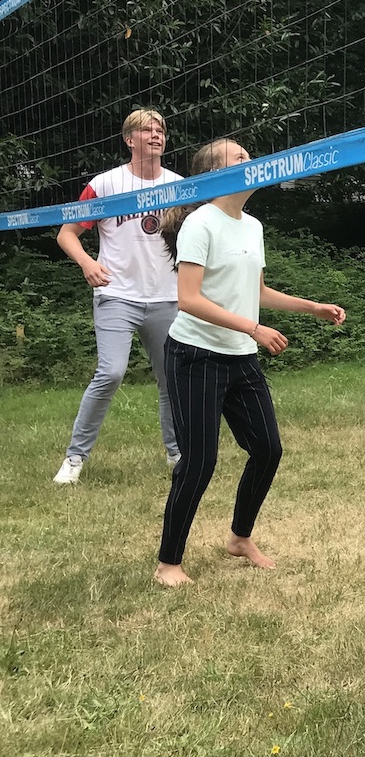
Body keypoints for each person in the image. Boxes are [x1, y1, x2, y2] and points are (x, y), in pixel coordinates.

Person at [153, 139, 345, 587]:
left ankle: (240, 538)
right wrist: (252, 328)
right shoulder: (199, 224)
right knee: (199, 461)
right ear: (214, 173)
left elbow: (258, 293)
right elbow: (188, 299)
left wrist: (311, 306)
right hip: (195, 356)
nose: (250, 161)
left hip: (240, 358)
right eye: (238, 158)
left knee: (268, 449)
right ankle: (168, 563)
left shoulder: (253, 226)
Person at [53, 108, 183, 484]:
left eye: (160, 129)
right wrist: (86, 263)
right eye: (147, 129)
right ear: (130, 140)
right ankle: (74, 459)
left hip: (166, 297)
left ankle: (177, 454)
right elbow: (67, 233)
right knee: (110, 372)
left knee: (170, 378)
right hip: (117, 295)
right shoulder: (106, 184)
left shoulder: (178, 184)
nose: (156, 134)